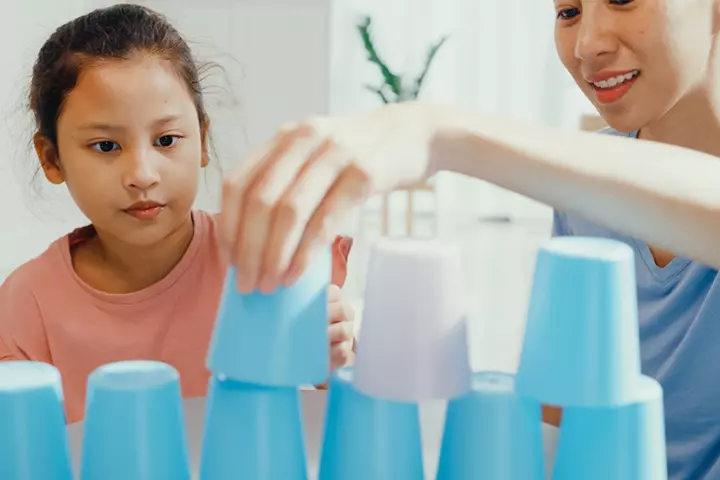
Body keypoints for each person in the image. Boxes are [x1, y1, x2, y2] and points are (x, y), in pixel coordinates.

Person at [217, 0, 720, 478]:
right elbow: (561, 414)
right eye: (568, 11)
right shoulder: (583, 197)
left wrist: (438, 132)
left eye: (623, 0)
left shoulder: (583, 180)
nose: (587, 44)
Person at [0, 4, 356, 424]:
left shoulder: (267, 259)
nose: (142, 175)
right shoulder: (28, 305)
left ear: (202, 140)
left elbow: (360, 426)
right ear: (52, 158)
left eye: (166, 139)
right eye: (106, 146)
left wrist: (338, 365)